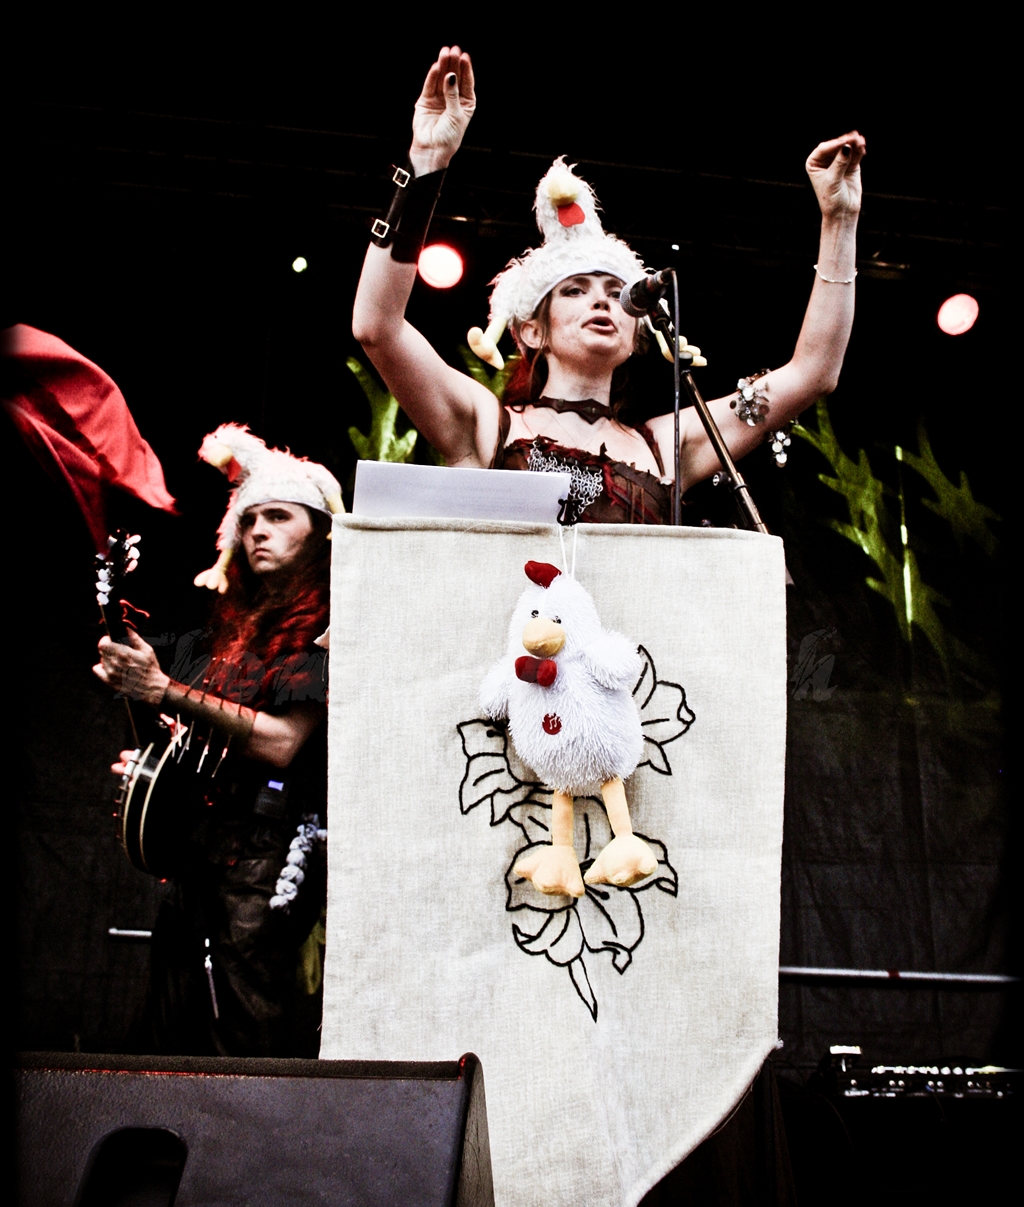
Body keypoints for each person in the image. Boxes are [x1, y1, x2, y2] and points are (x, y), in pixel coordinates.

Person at [353, 46, 864, 520]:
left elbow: (813, 372)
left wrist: (839, 222)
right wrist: (426, 161)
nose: (600, 300)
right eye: (575, 290)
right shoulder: (486, 422)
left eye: (615, 292)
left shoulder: (667, 446)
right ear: (532, 330)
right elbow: (377, 327)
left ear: (638, 329)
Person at [93, 424, 343, 1056]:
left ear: (319, 530)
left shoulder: (336, 619)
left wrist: (163, 689)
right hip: (203, 844)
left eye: (279, 517)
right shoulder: (236, 624)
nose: (257, 531)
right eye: (249, 519)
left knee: (247, 1028)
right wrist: (154, 742)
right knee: (168, 1023)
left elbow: (282, 743)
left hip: (271, 851)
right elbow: (205, 730)